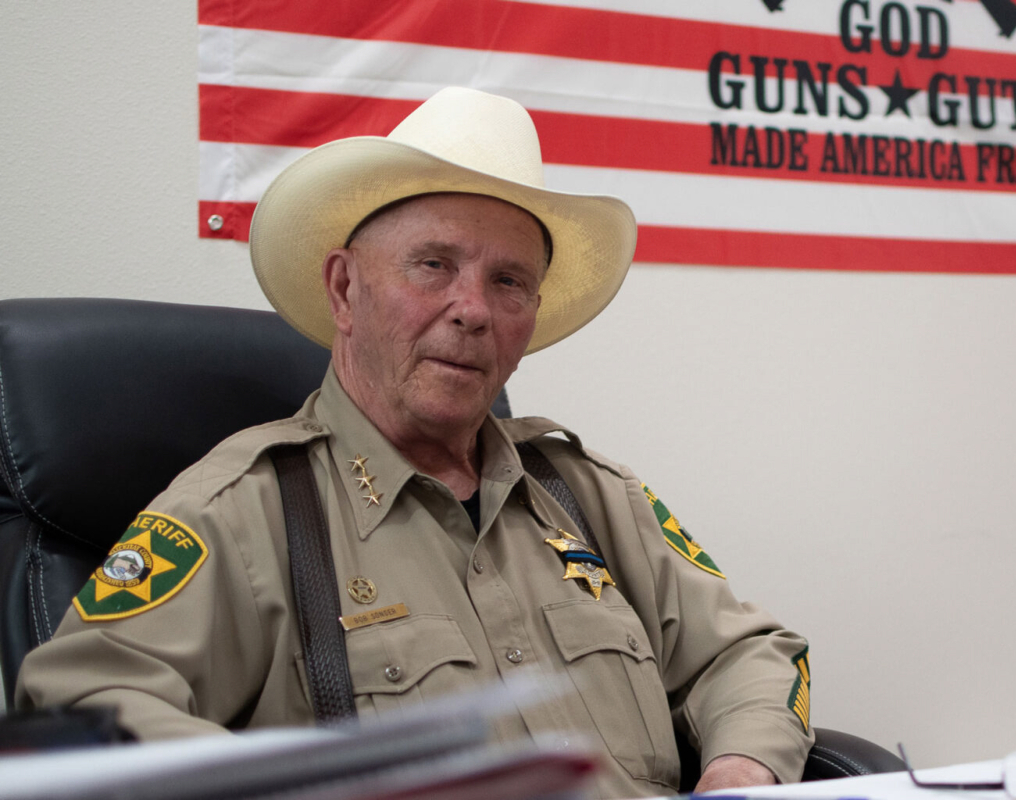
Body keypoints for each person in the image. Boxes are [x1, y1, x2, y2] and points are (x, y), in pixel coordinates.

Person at [16, 87, 813, 797]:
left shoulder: (589, 494)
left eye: (508, 282)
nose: (473, 310)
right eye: (432, 265)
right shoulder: (244, 510)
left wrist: (740, 774)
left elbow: (752, 652)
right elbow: (80, 704)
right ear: (344, 289)